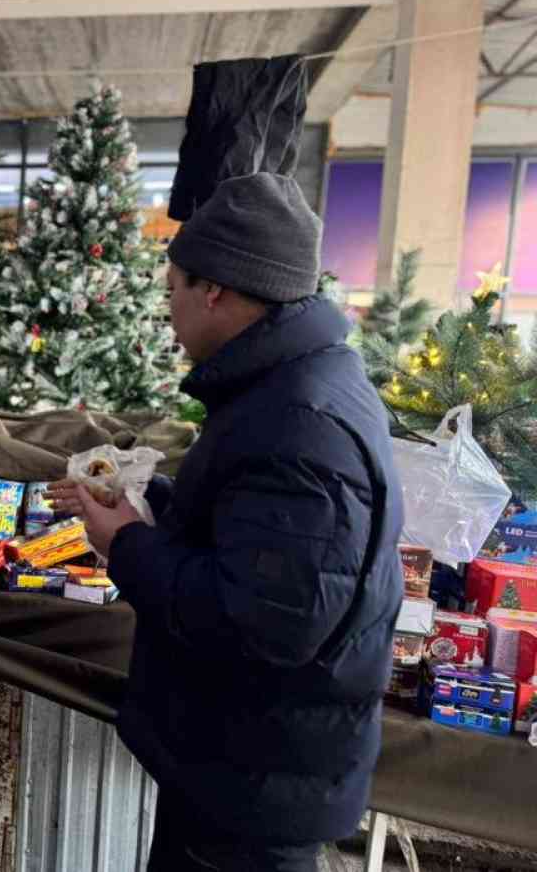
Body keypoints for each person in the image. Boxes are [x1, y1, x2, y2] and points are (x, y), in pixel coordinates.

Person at [50, 172, 403, 872]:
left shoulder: (298, 420)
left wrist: (123, 543)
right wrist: (164, 504)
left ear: (214, 288)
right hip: (246, 765)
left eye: (173, 286)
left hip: (254, 786)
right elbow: (266, 542)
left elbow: (261, 621)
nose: (167, 308)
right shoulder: (292, 386)